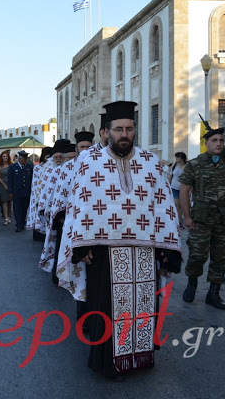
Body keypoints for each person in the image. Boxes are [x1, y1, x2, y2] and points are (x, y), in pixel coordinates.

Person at [57, 101, 182, 380]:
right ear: (107, 132)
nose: (124, 134)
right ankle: (108, 363)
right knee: (107, 307)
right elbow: (80, 204)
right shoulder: (89, 161)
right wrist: (82, 245)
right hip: (104, 251)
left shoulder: (150, 162)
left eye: (129, 129)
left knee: (143, 306)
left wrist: (166, 247)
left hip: (145, 251)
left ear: (135, 130)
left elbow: (162, 206)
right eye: (118, 129)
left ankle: (139, 357)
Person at [180, 127, 225, 310]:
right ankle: (192, 284)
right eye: (214, 140)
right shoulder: (195, 164)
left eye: (221, 140)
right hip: (201, 220)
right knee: (197, 255)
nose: (218, 143)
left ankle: (214, 293)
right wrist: (186, 217)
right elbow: (184, 191)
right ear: (206, 144)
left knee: (220, 258)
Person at [39, 133, 94, 285]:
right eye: (82, 147)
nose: (85, 150)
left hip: (90, 219)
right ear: (77, 149)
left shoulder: (98, 164)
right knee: (62, 250)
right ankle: (60, 276)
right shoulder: (67, 169)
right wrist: (62, 217)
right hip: (68, 218)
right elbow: (58, 195)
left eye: (88, 147)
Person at [26, 146, 53, 238]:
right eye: (46, 157)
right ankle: (38, 234)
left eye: (50, 157)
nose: (48, 159)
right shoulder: (38, 168)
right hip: (38, 193)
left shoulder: (53, 167)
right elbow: (35, 183)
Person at [8, 151, 33, 232]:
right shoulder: (12, 167)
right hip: (16, 192)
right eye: (25, 159)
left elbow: (31, 179)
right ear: (20, 159)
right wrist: (10, 192)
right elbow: (10, 181)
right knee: (17, 209)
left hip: (26, 191)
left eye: (26, 159)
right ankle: (19, 224)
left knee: (24, 208)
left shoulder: (29, 167)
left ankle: (23, 223)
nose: (26, 161)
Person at [167, 152, 187, 228]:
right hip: (174, 187)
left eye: (177, 157)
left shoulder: (187, 166)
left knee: (181, 206)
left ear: (181, 158)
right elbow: (169, 175)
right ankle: (174, 220)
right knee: (175, 204)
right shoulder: (175, 165)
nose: (176, 159)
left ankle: (179, 221)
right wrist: (168, 185)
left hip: (183, 188)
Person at [0, 151, 12, 226]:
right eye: (3, 156)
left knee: (9, 201)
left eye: (6, 156)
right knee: (4, 201)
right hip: (2, 184)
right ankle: (6, 218)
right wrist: (4, 185)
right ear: (1, 158)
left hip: (10, 184)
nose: (5, 158)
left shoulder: (11, 165)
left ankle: (9, 215)